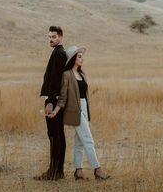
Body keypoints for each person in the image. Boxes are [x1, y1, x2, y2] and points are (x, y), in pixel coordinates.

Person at [49, 45, 110, 180]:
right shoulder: (67, 75)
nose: (82, 59)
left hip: (84, 107)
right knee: (88, 140)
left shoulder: (82, 74)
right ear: (73, 59)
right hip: (74, 109)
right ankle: (97, 169)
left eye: (82, 56)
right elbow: (63, 97)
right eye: (79, 56)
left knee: (79, 142)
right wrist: (55, 111)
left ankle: (78, 170)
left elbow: (85, 95)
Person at [34, 26, 67, 181]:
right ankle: (58, 171)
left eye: (53, 37)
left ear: (60, 37)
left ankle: (53, 171)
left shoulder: (58, 53)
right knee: (58, 134)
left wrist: (50, 102)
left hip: (53, 99)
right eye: (49, 37)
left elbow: (55, 80)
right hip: (55, 99)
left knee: (54, 135)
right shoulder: (59, 53)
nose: (51, 39)